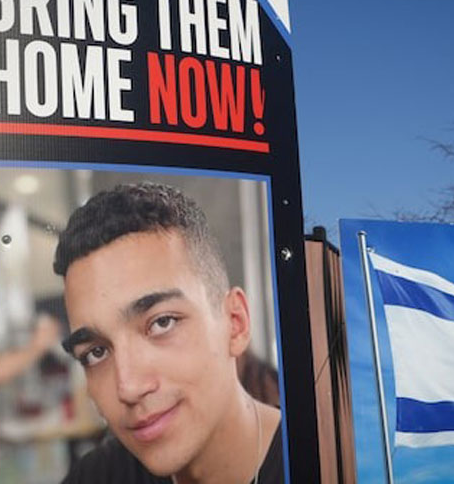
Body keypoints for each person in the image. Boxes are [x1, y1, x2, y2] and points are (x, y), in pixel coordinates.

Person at [54, 182, 283, 484]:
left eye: (162, 323)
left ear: (235, 322)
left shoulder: (328, 458)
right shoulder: (96, 477)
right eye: (96, 352)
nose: (128, 387)